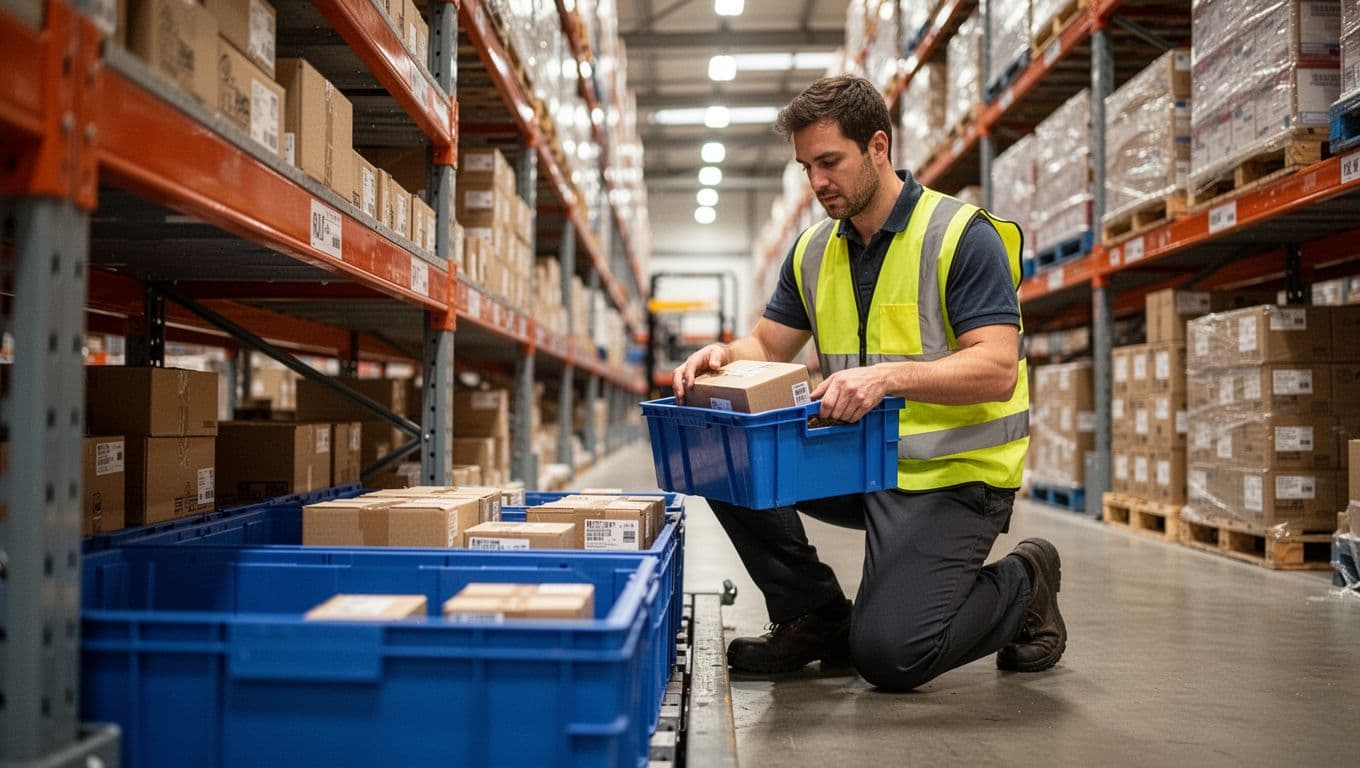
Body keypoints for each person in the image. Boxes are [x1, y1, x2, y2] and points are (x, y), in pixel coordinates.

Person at [672, 75, 1065, 691]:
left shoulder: (960, 236)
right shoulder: (811, 251)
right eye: (806, 167)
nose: (817, 183)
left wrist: (888, 378)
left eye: (830, 162)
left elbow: (996, 367)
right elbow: (767, 346)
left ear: (878, 147)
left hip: (950, 477)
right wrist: (724, 354)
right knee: (720, 452)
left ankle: (1026, 584)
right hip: (861, 461)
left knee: (890, 655)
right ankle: (815, 615)